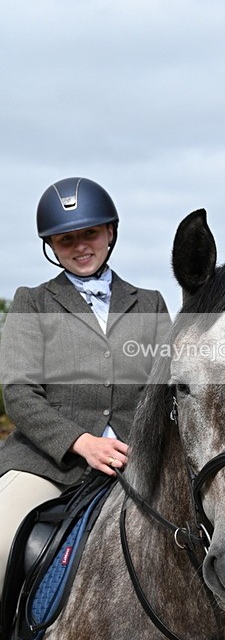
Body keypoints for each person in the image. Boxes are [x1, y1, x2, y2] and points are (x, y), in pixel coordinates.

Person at [0, 177, 171, 592]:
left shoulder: (149, 303)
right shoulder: (32, 301)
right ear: (52, 246)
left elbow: (164, 387)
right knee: (1, 542)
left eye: (89, 233)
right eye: (65, 239)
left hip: (139, 463)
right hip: (49, 464)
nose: (80, 247)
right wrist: (82, 442)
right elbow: (19, 392)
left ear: (110, 231)